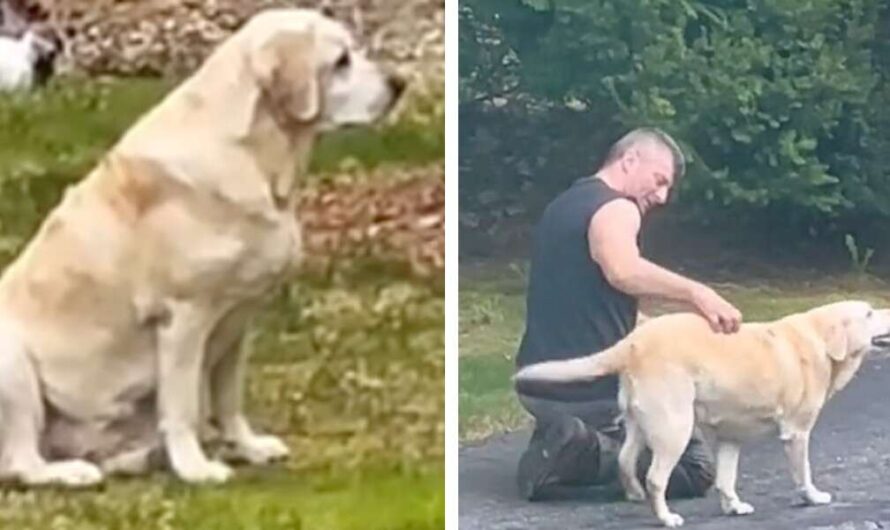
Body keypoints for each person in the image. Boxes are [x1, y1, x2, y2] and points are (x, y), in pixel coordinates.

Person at [514, 127, 743, 501]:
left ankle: (565, 436)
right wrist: (698, 294)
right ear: (630, 159)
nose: (662, 196)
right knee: (695, 468)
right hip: (590, 388)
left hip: (537, 380)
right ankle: (584, 452)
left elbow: (589, 302)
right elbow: (622, 269)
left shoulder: (563, 205)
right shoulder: (617, 207)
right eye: (659, 180)